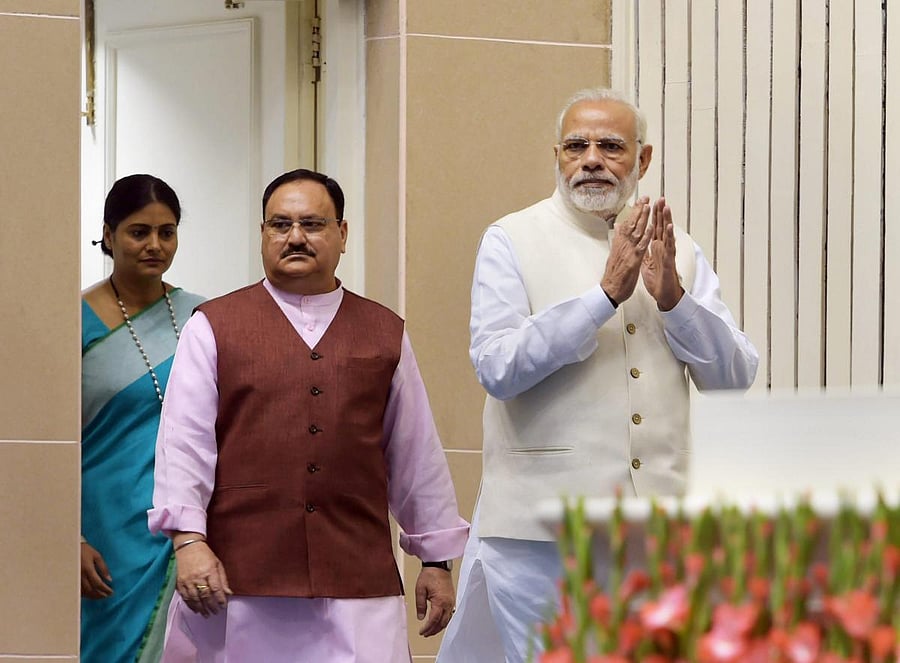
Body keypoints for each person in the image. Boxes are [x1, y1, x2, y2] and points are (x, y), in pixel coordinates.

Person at [437, 88, 760, 663]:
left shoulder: (678, 248)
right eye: (575, 146)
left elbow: (733, 379)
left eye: (610, 145)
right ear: (556, 157)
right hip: (542, 536)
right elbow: (497, 367)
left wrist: (675, 302)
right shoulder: (512, 238)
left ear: (644, 159)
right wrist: (604, 296)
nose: (591, 159)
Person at [148, 168, 469, 662]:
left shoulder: (384, 332)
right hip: (241, 578)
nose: (295, 236)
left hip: (357, 579)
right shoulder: (214, 326)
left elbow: (416, 453)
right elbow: (183, 444)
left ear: (342, 234)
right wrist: (188, 541)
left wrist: (436, 560)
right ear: (262, 235)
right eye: (280, 224)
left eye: (312, 224)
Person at [81, 174, 204, 663]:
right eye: (139, 232)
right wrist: (71, 535)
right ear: (109, 235)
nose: (155, 245)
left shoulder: (203, 318)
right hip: (101, 521)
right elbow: (47, 442)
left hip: (184, 521)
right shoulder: (74, 320)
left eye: (167, 232)